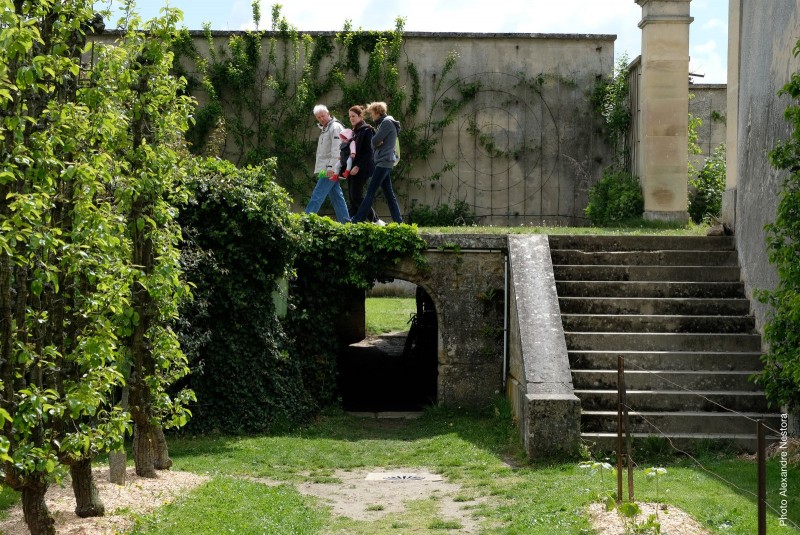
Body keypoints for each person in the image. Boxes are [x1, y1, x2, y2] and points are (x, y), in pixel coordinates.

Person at [351, 101, 403, 224]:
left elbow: (373, 141)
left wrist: (376, 142)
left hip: (383, 161)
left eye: (372, 113)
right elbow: (376, 142)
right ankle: (399, 222)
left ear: (377, 112)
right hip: (385, 161)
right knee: (389, 195)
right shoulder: (385, 123)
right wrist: (377, 142)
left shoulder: (386, 123)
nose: (371, 116)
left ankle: (358, 219)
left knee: (370, 192)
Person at [304, 104, 350, 223]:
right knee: (336, 197)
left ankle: (306, 220)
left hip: (330, 168)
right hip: (327, 168)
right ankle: (346, 223)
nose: (321, 119)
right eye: (318, 117)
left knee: (317, 195)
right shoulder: (326, 128)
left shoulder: (335, 127)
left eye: (323, 116)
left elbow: (337, 149)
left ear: (328, 113)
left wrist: (331, 167)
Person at [346, 105, 379, 223]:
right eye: (350, 117)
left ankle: (375, 220)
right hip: (352, 168)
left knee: (356, 196)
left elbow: (369, 152)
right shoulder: (353, 132)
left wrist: (358, 166)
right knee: (352, 197)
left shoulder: (367, 130)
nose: (351, 119)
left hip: (362, 168)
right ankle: (354, 222)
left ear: (360, 116)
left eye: (353, 116)